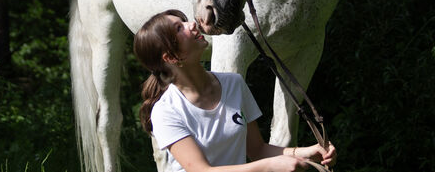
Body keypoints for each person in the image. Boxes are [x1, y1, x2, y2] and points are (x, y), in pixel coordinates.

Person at [133, 9, 337, 172]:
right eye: (179, 28)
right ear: (171, 57)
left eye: (184, 20)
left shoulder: (234, 84)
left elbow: (258, 150)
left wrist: (306, 153)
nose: (192, 24)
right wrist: (269, 167)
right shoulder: (165, 112)